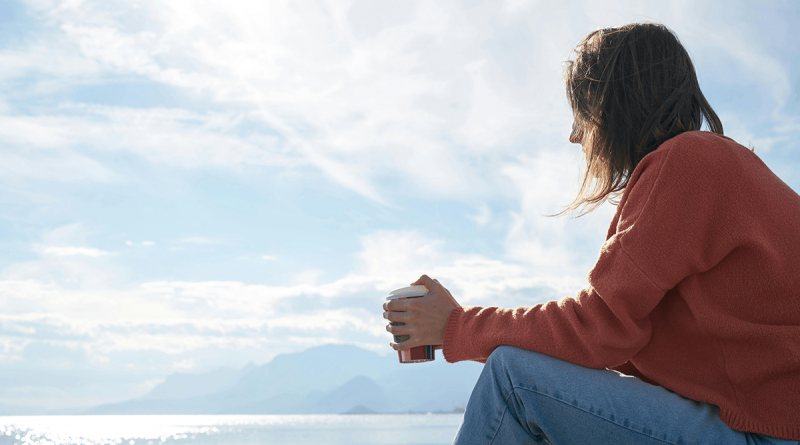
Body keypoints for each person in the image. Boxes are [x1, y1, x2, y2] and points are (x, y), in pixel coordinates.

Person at [382, 23, 800, 444]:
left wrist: (456, 326)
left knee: (512, 380)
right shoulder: (721, 168)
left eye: (582, 111)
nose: (575, 134)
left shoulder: (689, 163)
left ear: (614, 105)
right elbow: (616, 339)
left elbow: (600, 327)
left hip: (765, 435)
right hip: (765, 424)